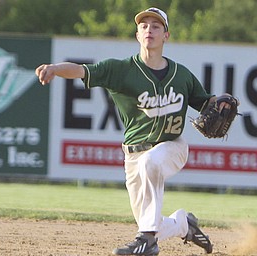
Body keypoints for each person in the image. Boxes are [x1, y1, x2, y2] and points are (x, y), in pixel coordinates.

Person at [35, 7, 229, 256]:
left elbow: (205, 102)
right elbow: (82, 70)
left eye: (156, 26)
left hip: (173, 148)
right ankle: (184, 225)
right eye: (144, 25)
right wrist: (54, 68)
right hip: (133, 156)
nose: (149, 29)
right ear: (137, 35)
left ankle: (147, 241)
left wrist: (219, 104)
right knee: (152, 220)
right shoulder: (121, 70)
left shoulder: (182, 76)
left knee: (152, 165)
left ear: (166, 35)